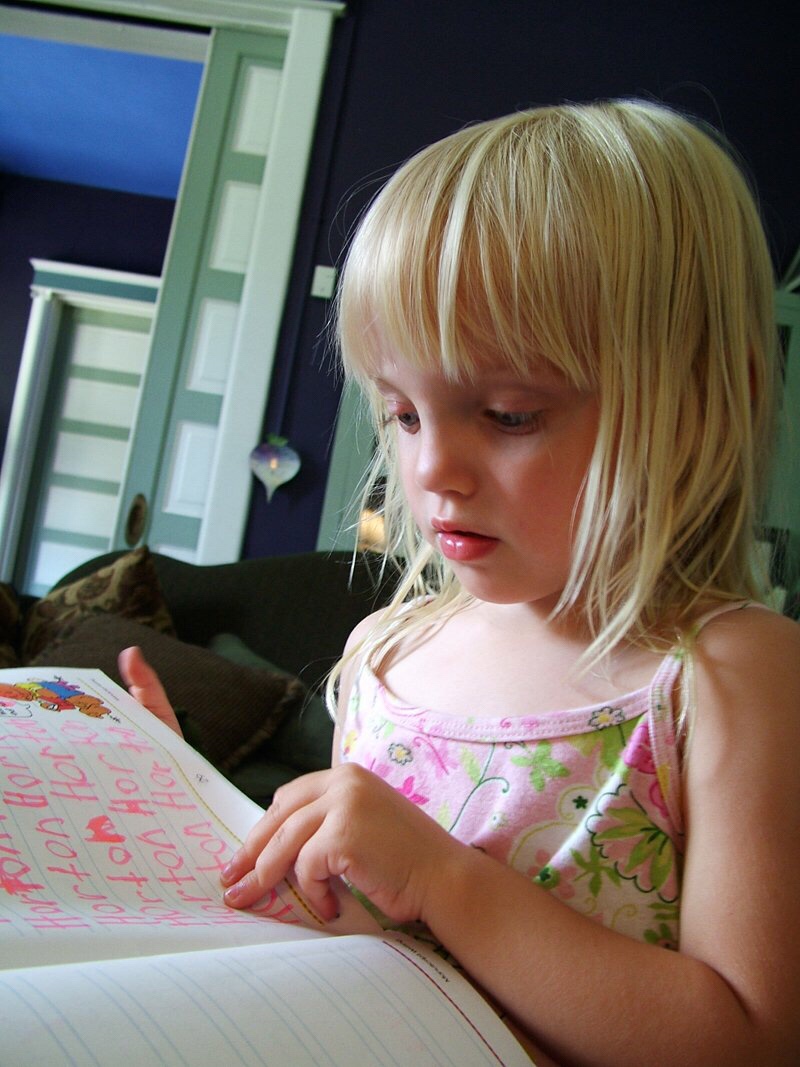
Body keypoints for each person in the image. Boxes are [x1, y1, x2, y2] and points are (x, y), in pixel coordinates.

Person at [121, 99, 800, 1065]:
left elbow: (751, 1038)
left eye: (509, 412)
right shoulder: (387, 654)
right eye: (401, 413)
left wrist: (444, 877)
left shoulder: (728, 675)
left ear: (692, 404)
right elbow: (357, 935)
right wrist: (196, 802)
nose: (433, 467)